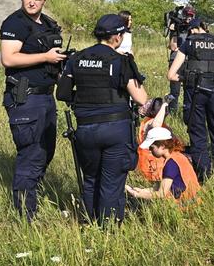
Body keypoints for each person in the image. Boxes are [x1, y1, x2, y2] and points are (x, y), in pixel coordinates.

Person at [56, 14, 148, 225]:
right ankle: (108, 230)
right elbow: (141, 98)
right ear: (116, 37)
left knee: (91, 179)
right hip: (115, 129)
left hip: (86, 129)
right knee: (111, 183)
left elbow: (62, 94)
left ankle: (89, 223)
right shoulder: (121, 60)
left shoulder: (76, 58)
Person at [0, 0, 67, 220]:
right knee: (31, 154)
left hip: (46, 97)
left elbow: (54, 58)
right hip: (26, 98)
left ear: (44, 0)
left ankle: (31, 196)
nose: (31, 2)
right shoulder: (15, 23)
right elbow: (9, 58)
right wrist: (45, 57)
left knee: (46, 152)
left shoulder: (48, 23)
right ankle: (25, 216)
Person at [167, 18, 214, 180]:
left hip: (195, 94)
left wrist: (188, 78)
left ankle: (203, 175)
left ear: (194, 29)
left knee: (198, 135)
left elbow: (171, 75)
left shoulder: (189, 42)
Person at [127, 127, 201, 205]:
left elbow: (162, 193)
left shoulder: (170, 164)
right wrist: (143, 190)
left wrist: (137, 194)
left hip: (185, 205)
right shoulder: (179, 156)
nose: (150, 150)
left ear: (162, 146)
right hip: (195, 200)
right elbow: (165, 185)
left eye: (152, 147)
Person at [167, 5, 196, 112]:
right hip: (176, 60)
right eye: (187, 15)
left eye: (191, 16)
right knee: (175, 90)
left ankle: (187, 110)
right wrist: (174, 31)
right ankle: (172, 111)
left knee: (189, 88)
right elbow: (173, 46)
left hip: (189, 61)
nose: (188, 18)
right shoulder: (177, 27)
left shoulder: (194, 28)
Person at [136, 97, 169, 182]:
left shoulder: (147, 121)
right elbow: (156, 125)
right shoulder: (151, 122)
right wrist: (164, 105)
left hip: (150, 157)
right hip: (151, 161)